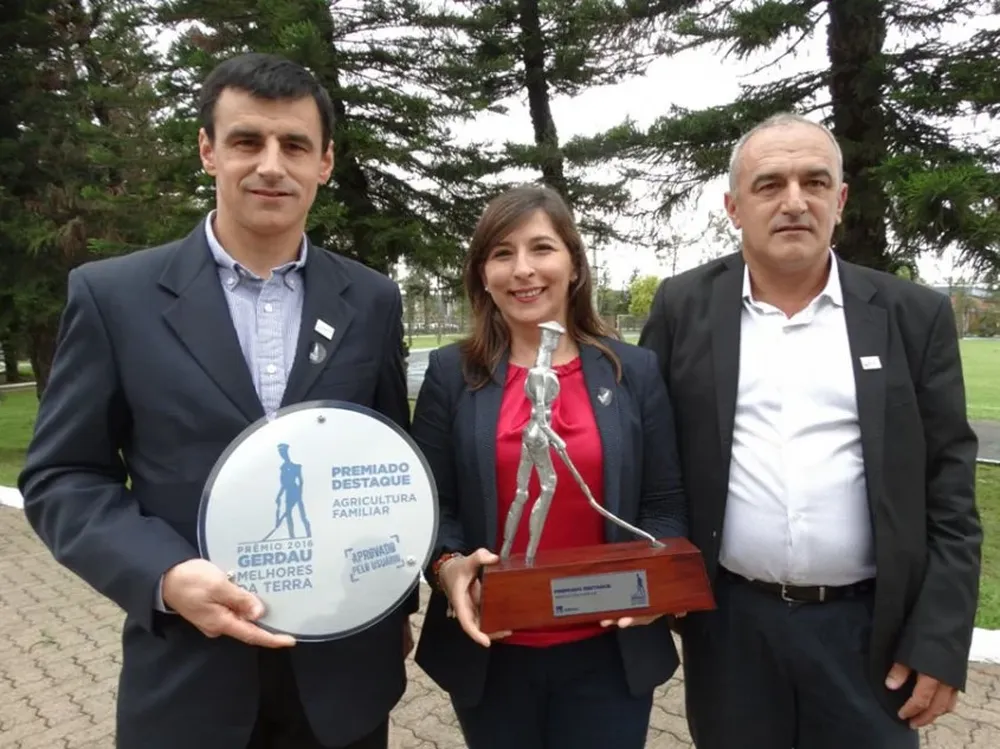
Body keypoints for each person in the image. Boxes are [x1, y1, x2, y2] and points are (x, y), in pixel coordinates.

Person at [18, 53, 415, 749]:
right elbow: (64, 476)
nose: (271, 164)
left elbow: (391, 467)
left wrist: (391, 596)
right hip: (190, 679)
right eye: (246, 141)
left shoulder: (372, 300)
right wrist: (164, 576)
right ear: (209, 151)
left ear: (323, 163)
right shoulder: (115, 297)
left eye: (294, 144)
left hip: (341, 683)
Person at [639, 112, 982, 748]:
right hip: (731, 631)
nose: (794, 201)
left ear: (840, 199)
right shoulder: (682, 307)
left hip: (869, 636)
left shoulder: (913, 315)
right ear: (734, 206)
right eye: (770, 185)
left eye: (814, 181)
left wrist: (939, 640)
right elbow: (650, 458)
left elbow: (950, 494)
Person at [411, 184, 688, 749]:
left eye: (541, 248)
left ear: (574, 265)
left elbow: (663, 503)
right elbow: (433, 507)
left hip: (609, 653)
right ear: (482, 273)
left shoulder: (632, 372)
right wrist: (448, 567)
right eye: (501, 253)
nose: (523, 270)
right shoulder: (450, 375)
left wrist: (651, 587)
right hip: (492, 654)